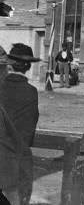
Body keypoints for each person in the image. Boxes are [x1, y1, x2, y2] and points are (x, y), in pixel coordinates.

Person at [0, 43, 41, 205]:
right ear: (28, 67)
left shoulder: (1, 86)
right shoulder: (30, 91)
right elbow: (27, 132)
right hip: (13, 161)